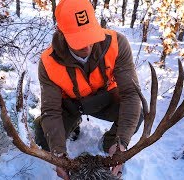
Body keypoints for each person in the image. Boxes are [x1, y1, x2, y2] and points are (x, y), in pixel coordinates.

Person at [34, 0, 142, 179]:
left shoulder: (116, 44)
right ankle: (73, 125)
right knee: (44, 137)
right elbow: (51, 110)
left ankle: (108, 144)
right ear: (62, 34)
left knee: (135, 116)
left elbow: (131, 95)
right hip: (70, 105)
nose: (87, 46)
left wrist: (121, 144)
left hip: (106, 100)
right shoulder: (48, 62)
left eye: (90, 36)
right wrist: (58, 154)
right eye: (78, 41)